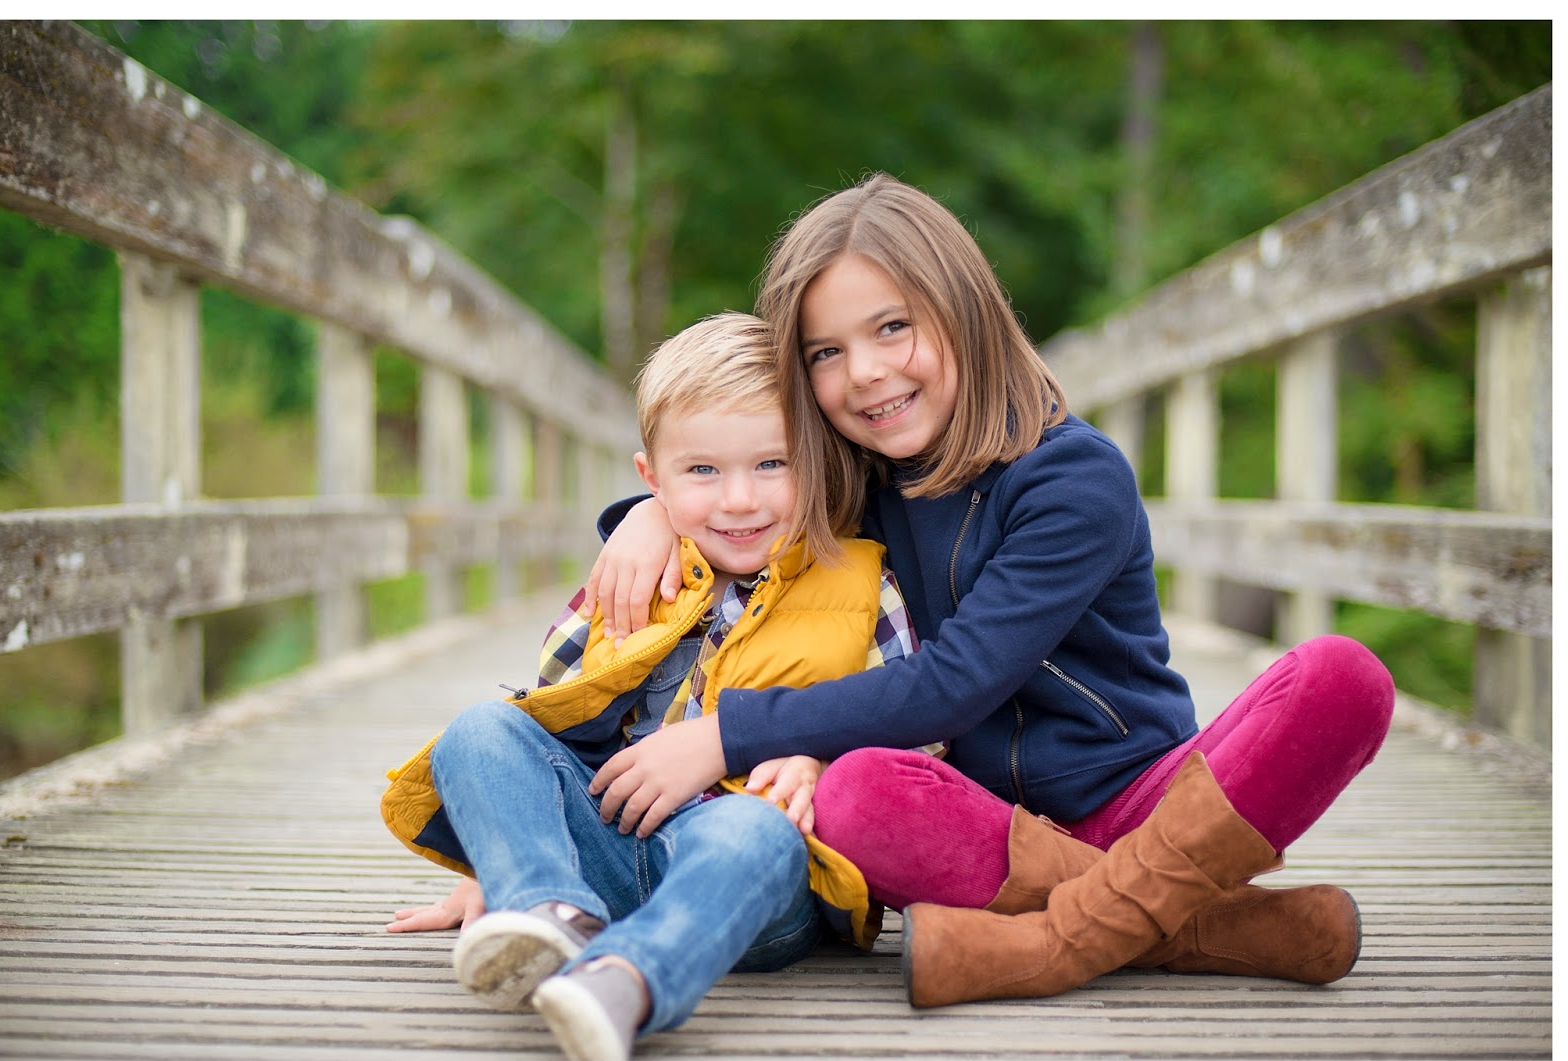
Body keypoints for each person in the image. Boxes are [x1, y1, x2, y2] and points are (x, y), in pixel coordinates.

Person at [583, 173, 1395, 1009]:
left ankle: (1052, 945)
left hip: (1141, 805)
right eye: (825, 353)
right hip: (977, 826)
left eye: (893, 327)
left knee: (1343, 679)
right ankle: (1201, 921)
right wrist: (647, 516)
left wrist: (729, 735)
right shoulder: (859, 475)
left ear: (963, 307)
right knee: (855, 794)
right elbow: (745, 520)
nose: (865, 373)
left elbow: (955, 683)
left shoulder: (1073, 479)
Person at [380, 311, 939, 1058]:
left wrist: (819, 760)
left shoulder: (865, 587)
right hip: (614, 841)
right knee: (481, 728)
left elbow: (915, 739)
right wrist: (501, 858)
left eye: (772, 464)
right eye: (702, 471)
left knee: (755, 831)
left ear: (821, 461)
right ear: (653, 479)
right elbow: (548, 722)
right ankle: (545, 909)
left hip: (750, 874)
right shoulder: (633, 572)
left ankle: (628, 980)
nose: (739, 499)